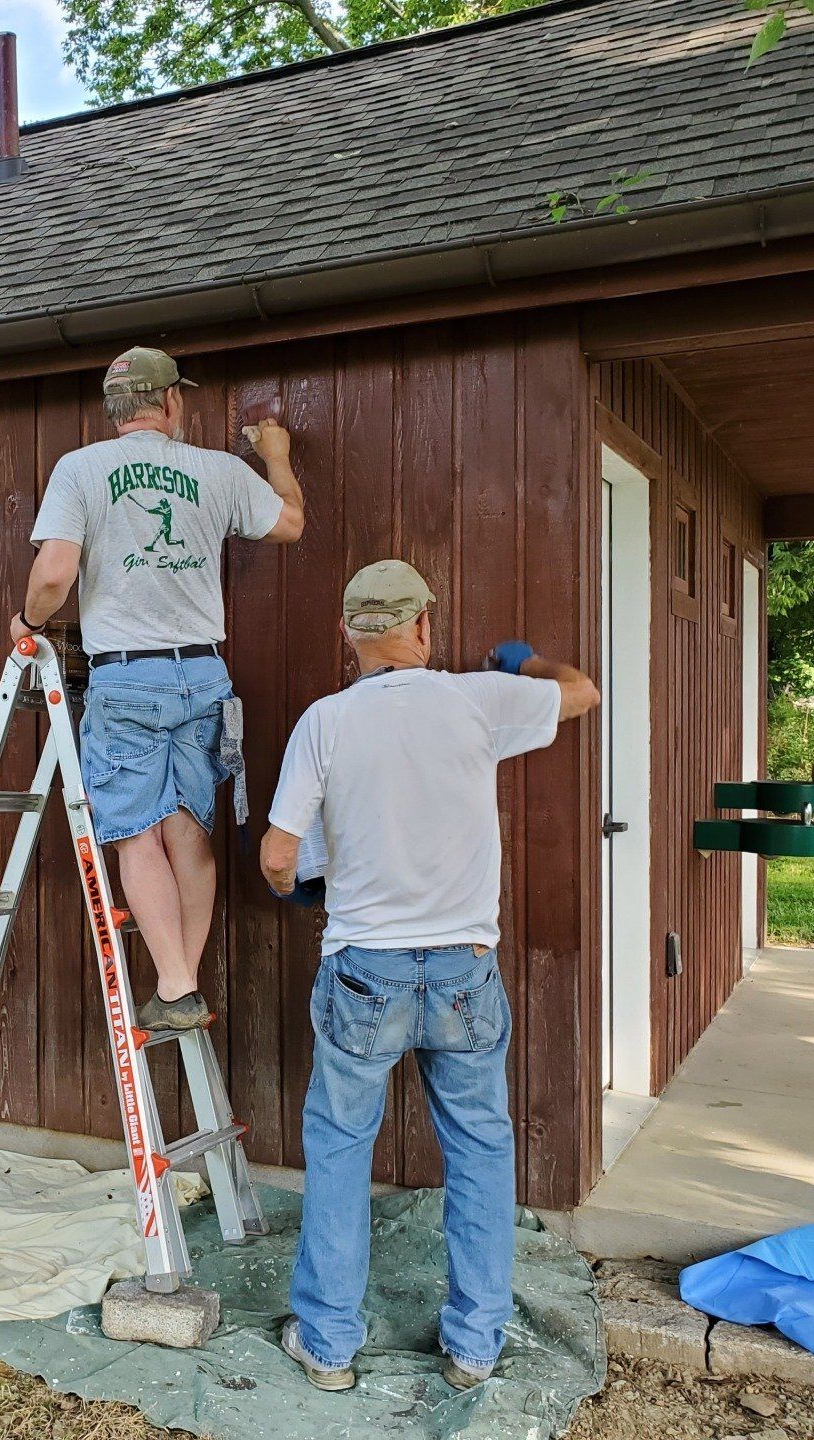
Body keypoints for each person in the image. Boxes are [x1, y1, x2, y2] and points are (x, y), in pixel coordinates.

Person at [260, 559, 599, 1393]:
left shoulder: (324, 722)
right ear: (423, 625)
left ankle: (330, 1348)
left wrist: (302, 883)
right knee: (480, 1149)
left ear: (350, 634)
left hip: (364, 971)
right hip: (464, 970)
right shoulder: (477, 701)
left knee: (339, 1150)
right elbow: (582, 691)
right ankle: (474, 1348)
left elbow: (276, 857)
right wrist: (521, 663)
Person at [12, 346, 304, 1031]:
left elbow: (55, 572)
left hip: (128, 678)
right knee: (188, 834)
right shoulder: (219, 471)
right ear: (171, 402)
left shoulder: (81, 470)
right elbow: (290, 523)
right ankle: (184, 982)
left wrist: (28, 621)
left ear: (114, 410)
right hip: (203, 673)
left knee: (137, 835)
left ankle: (175, 982)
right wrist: (278, 455)